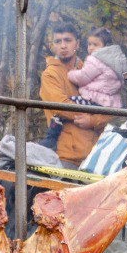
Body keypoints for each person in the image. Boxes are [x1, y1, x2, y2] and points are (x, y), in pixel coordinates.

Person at [38, 23, 108, 167]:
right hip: (66, 157)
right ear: (53, 46)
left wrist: (92, 121)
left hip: (96, 157)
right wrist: (92, 115)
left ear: (77, 43)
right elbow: (61, 106)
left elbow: (108, 110)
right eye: (58, 41)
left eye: (67, 40)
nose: (63, 46)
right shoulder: (50, 74)